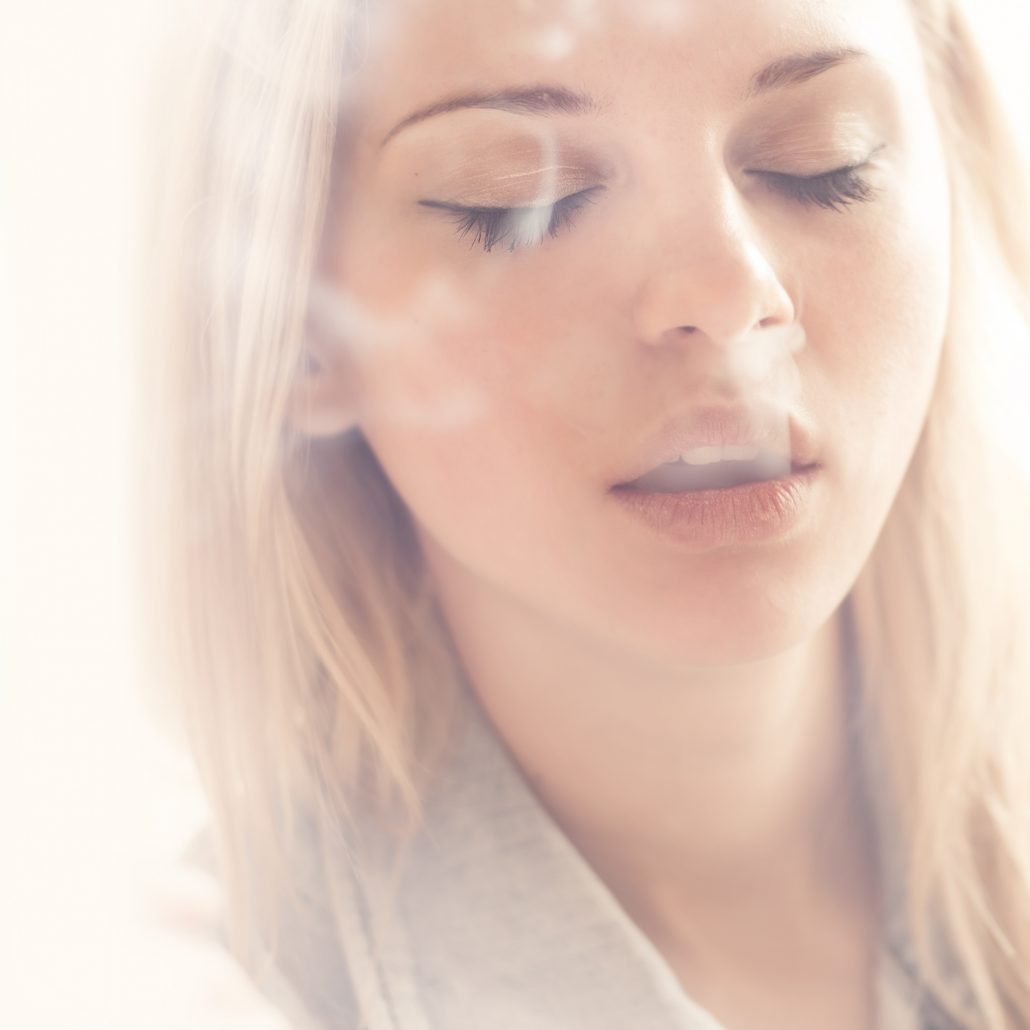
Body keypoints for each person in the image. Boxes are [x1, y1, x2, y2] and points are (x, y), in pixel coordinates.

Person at [139, 0, 1030, 1026]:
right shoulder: (210, 992)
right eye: (524, 201)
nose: (727, 291)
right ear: (298, 322)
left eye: (819, 164)